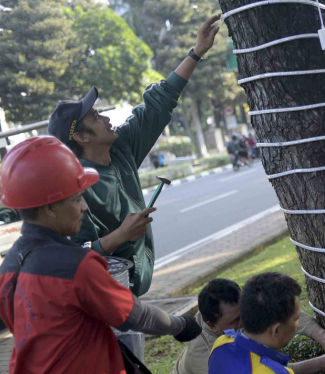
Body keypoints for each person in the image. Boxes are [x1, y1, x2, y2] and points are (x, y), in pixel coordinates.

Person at [0, 136, 202, 374]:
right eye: (77, 198)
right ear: (50, 208)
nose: (84, 207)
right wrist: (181, 324)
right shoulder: (77, 267)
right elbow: (136, 316)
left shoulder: (4, 274)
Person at [48, 14, 221, 298]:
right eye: (94, 116)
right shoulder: (74, 188)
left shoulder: (121, 147)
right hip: (104, 298)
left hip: (134, 289)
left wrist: (197, 52)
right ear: (81, 137)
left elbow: (158, 103)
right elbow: (77, 254)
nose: (104, 117)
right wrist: (121, 235)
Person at [208, 273, 325, 374]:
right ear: (276, 330)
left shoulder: (222, 344)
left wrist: (318, 364)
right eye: (296, 319)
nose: (298, 323)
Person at [172, 278, 325, 374]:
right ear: (212, 325)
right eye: (236, 320)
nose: (248, 322)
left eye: (245, 312)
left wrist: (319, 333)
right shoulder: (207, 356)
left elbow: (280, 309)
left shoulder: (225, 326)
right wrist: (318, 364)